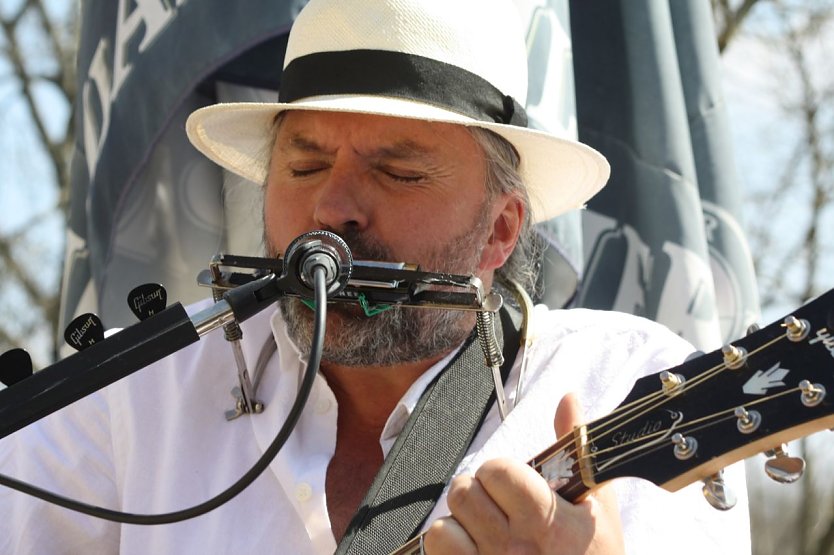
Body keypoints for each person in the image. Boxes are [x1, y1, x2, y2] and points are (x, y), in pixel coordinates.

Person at [0, 0, 751, 553]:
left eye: (397, 171)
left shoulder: (629, 383)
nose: (331, 206)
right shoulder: (138, 392)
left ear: (501, 228)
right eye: (303, 164)